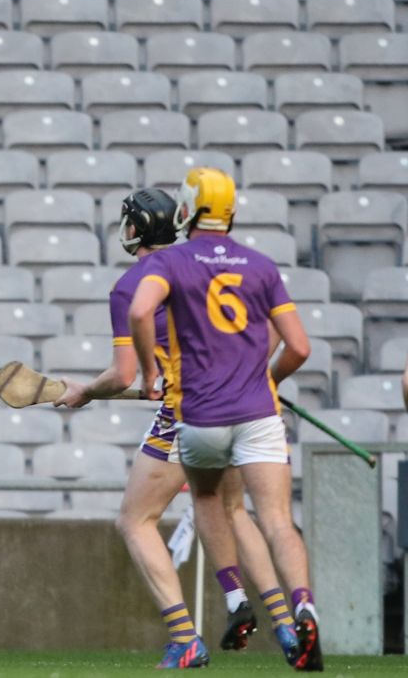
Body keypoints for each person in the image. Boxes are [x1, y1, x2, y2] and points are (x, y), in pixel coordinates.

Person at [54, 188, 300, 669]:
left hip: (187, 412)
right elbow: (271, 330)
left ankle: (184, 635)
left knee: (135, 519)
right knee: (234, 510)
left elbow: (125, 375)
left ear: (138, 228)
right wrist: (252, 375)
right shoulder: (211, 267)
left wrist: (85, 391)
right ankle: (287, 626)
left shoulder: (134, 284)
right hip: (239, 405)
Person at [130, 167, 322, 672]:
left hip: (203, 416)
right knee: (276, 519)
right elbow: (299, 346)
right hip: (259, 414)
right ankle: (302, 606)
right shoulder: (261, 266)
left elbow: (139, 311)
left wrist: (150, 370)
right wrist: (268, 379)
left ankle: (235, 597)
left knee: (209, 496)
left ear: (186, 210)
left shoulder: (171, 261)